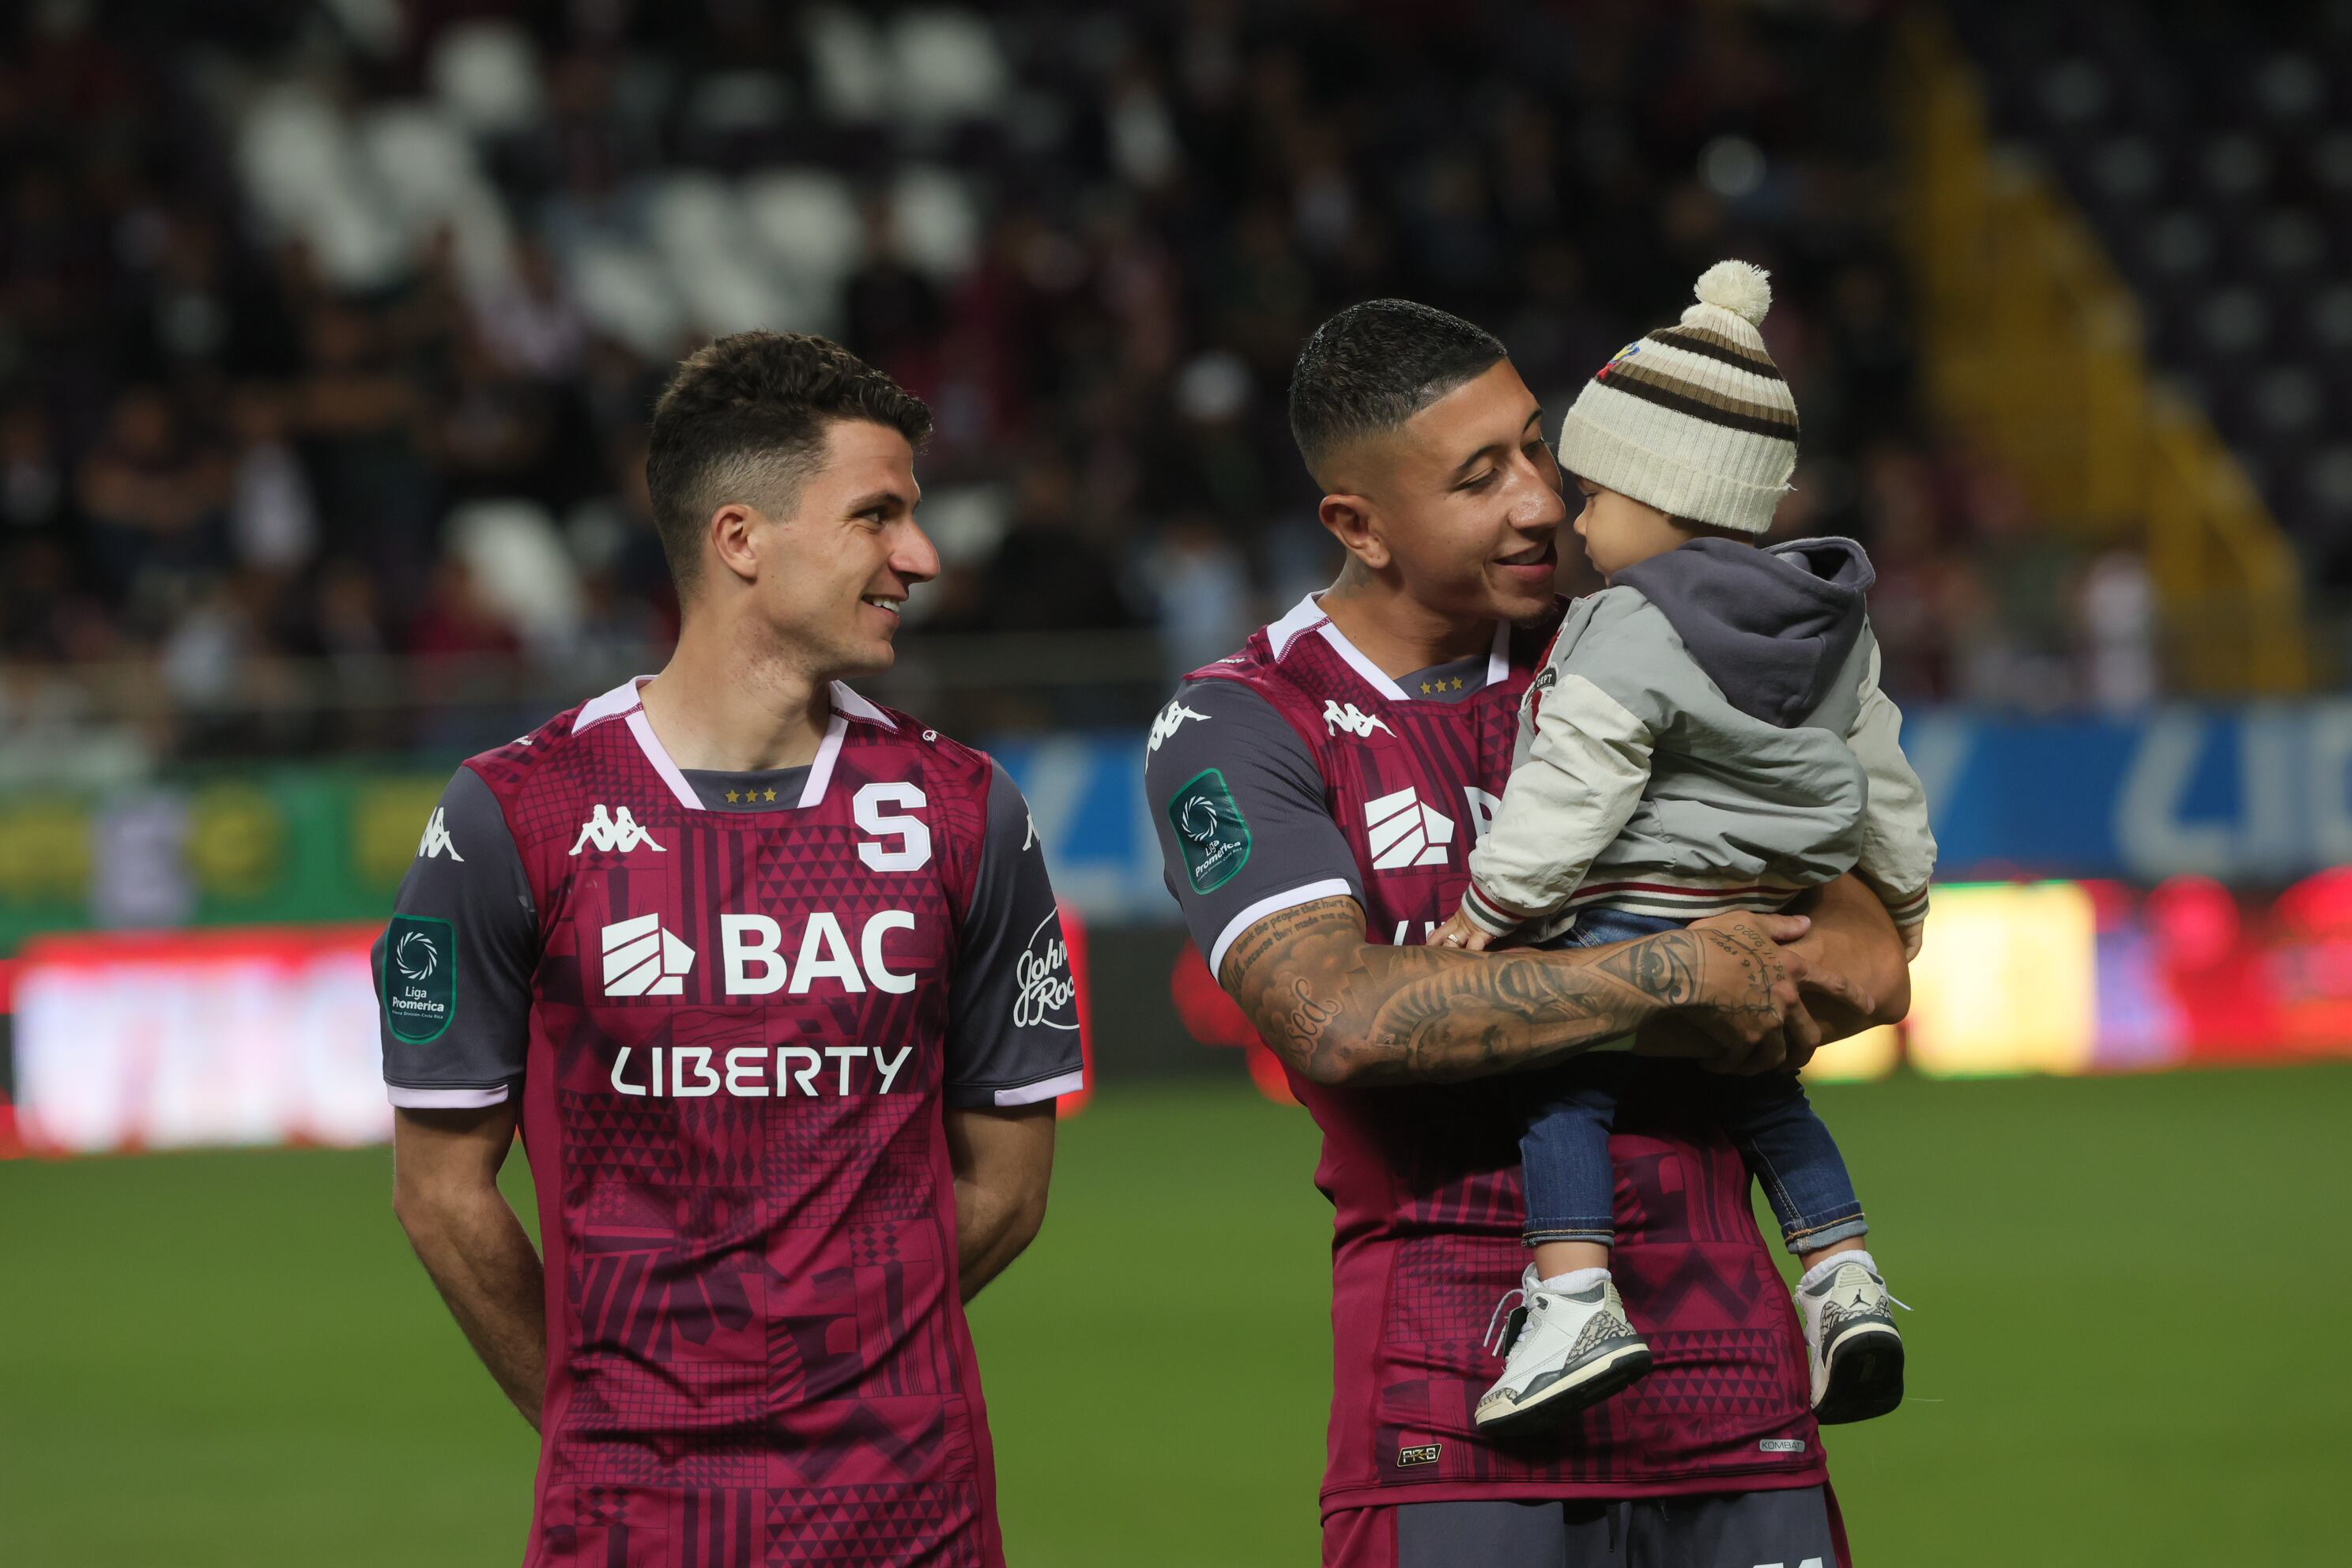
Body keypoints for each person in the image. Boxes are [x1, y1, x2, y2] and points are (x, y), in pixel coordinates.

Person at [1144, 298, 1909, 1567]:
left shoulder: (1651, 644)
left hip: (1737, 1387)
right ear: (1358, 524)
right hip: (1456, 1409)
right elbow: (1342, 1018)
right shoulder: (1246, 723)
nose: (1542, 504)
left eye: (1538, 450)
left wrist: (1508, 1001)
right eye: (1479, 476)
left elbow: (1866, 957)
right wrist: (1673, 972)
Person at [376, 332, 1084, 1568]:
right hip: (630, 1513)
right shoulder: (517, 813)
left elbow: (1012, 1186)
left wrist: (833, 1356)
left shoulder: (967, 810)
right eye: (877, 517)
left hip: (913, 1506)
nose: (919, 557)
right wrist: (601, 1410)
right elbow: (441, 1193)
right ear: (741, 540)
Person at [1424, 262, 1935, 1437]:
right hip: (1769, 909)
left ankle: (1575, 1302)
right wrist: (1899, 912)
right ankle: (1845, 1279)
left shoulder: (1623, 624)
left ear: (1658, 494)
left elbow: (1578, 781)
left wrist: (1498, 908)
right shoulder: (1831, 624)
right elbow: (1885, 784)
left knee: (1558, 1080)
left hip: (1637, 906)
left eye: (1596, 491)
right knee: (1764, 1093)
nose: (1575, 516)